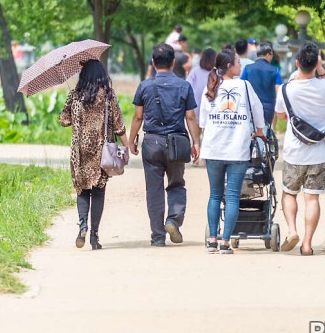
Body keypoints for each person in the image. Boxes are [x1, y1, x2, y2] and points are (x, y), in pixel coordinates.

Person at [128, 44, 201, 246]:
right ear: (173, 63)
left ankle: (157, 237)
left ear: (153, 63)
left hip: (151, 142)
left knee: (154, 190)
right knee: (177, 184)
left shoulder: (144, 86)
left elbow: (137, 117)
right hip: (177, 142)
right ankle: (173, 220)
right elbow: (191, 117)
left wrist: (132, 139)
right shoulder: (184, 86)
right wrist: (196, 142)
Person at [199, 49, 266, 254]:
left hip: (214, 149)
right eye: (238, 62)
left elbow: (203, 120)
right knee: (232, 195)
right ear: (229, 65)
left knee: (214, 195)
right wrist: (260, 132)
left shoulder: (210, 86)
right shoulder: (244, 86)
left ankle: (212, 240)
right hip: (237, 149)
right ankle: (225, 242)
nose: (240, 65)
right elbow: (258, 110)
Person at [274, 41, 325, 256]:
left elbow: (282, 116)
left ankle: (292, 230)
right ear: (317, 63)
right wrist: (320, 67)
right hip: (321, 152)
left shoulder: (286, 89)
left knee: (289, 193)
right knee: (312, 197)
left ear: (297, 62)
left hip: (295, 152)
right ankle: (308, 245)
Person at [59, 59, 129, 251]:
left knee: (82, 189)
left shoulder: (75, 95)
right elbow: (118, 124)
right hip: (101, 150)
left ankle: (82, 225)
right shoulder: (107, 96)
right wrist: (127, 147)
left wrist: (72, 109)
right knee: (98, 191)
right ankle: (94, 236)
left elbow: (63, 120)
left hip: (79, 151)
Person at [240, 41, 282, 125]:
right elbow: (279, 92)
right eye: (271, 55)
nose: (271, 57)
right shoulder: (275, 70)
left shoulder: (248, 68)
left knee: (251, 132)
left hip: (251, 106)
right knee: (266, 133)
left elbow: (241, 87)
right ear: (267, 55)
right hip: (268, 107)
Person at [186, 47, 216, 120]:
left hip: (196, 105)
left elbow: (187, 85)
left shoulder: (195, 71)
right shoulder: (217, 72)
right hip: (212, 107)